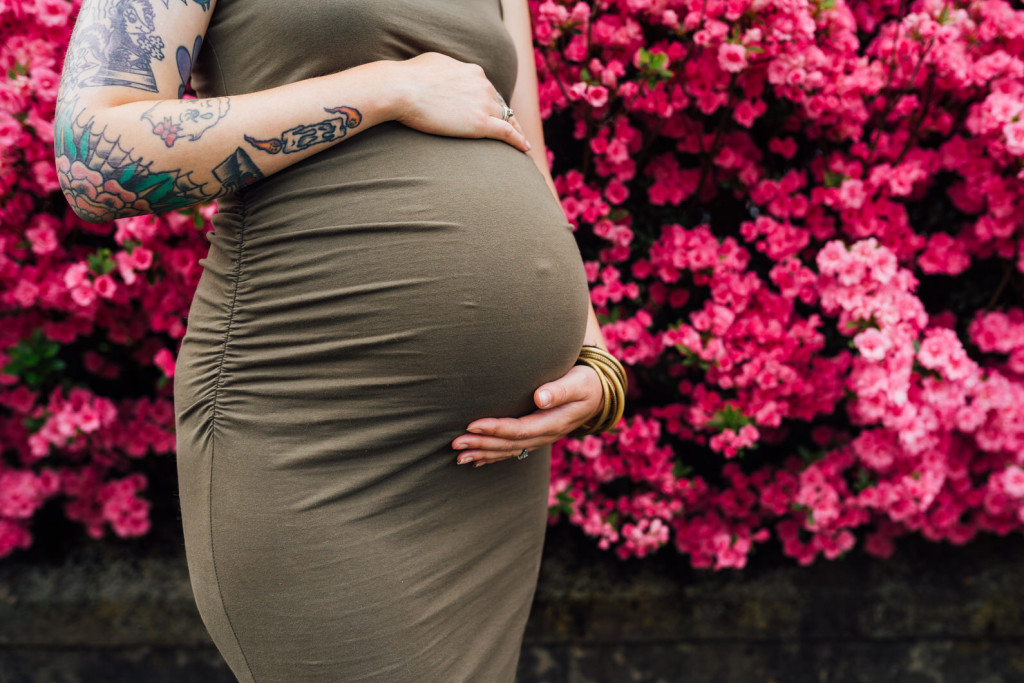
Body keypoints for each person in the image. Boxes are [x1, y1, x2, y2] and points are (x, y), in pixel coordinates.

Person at [55, 0, 626, 680]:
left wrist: (594, 357)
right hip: (312, 422)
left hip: (486, 466)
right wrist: (385, 89)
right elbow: (93, 154)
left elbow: (525, 153)